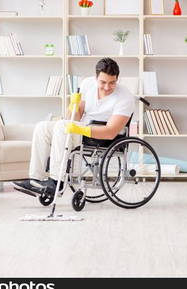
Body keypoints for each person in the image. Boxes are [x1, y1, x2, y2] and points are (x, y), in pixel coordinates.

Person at [13, 58, 135, 196]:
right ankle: (36, 179)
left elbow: (110, 132)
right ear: (96, 78)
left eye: (112, 83)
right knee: (42, 127)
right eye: (103, 82)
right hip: (82, 129)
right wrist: (73, 105)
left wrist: (79, 129)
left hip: (101, 137)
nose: (107, 87)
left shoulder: (125, 97)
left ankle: (55, 182)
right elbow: (74, 117)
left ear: (117, 79)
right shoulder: (87, 84)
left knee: (61, 126)